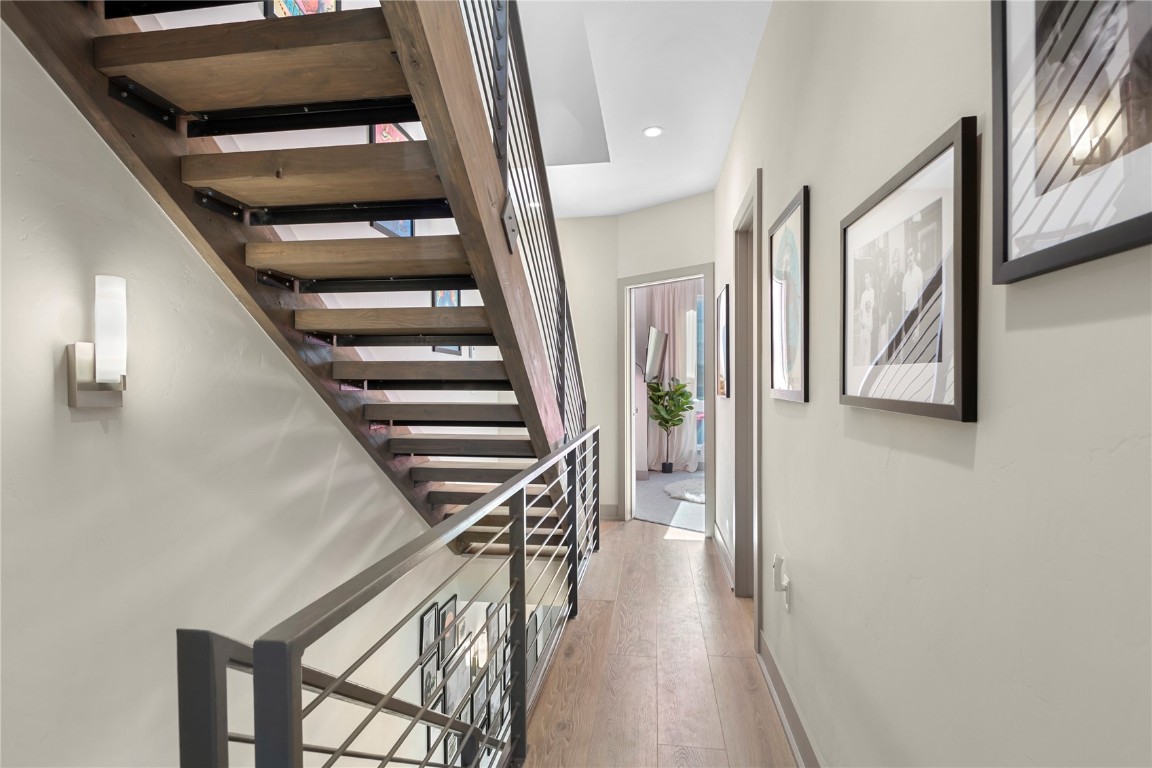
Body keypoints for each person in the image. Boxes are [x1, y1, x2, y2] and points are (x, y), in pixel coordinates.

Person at [858, 273, 876, 363]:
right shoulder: (863, 295)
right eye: (865, 278)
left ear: (871, 279)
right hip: (864, 328)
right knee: (863, 355)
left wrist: (872, 325)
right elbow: (860, 316)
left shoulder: (873, 292)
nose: (866, 280)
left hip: (871, 328)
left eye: (867, 278)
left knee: (869, 356)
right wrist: (863, 324)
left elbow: (874, 310)